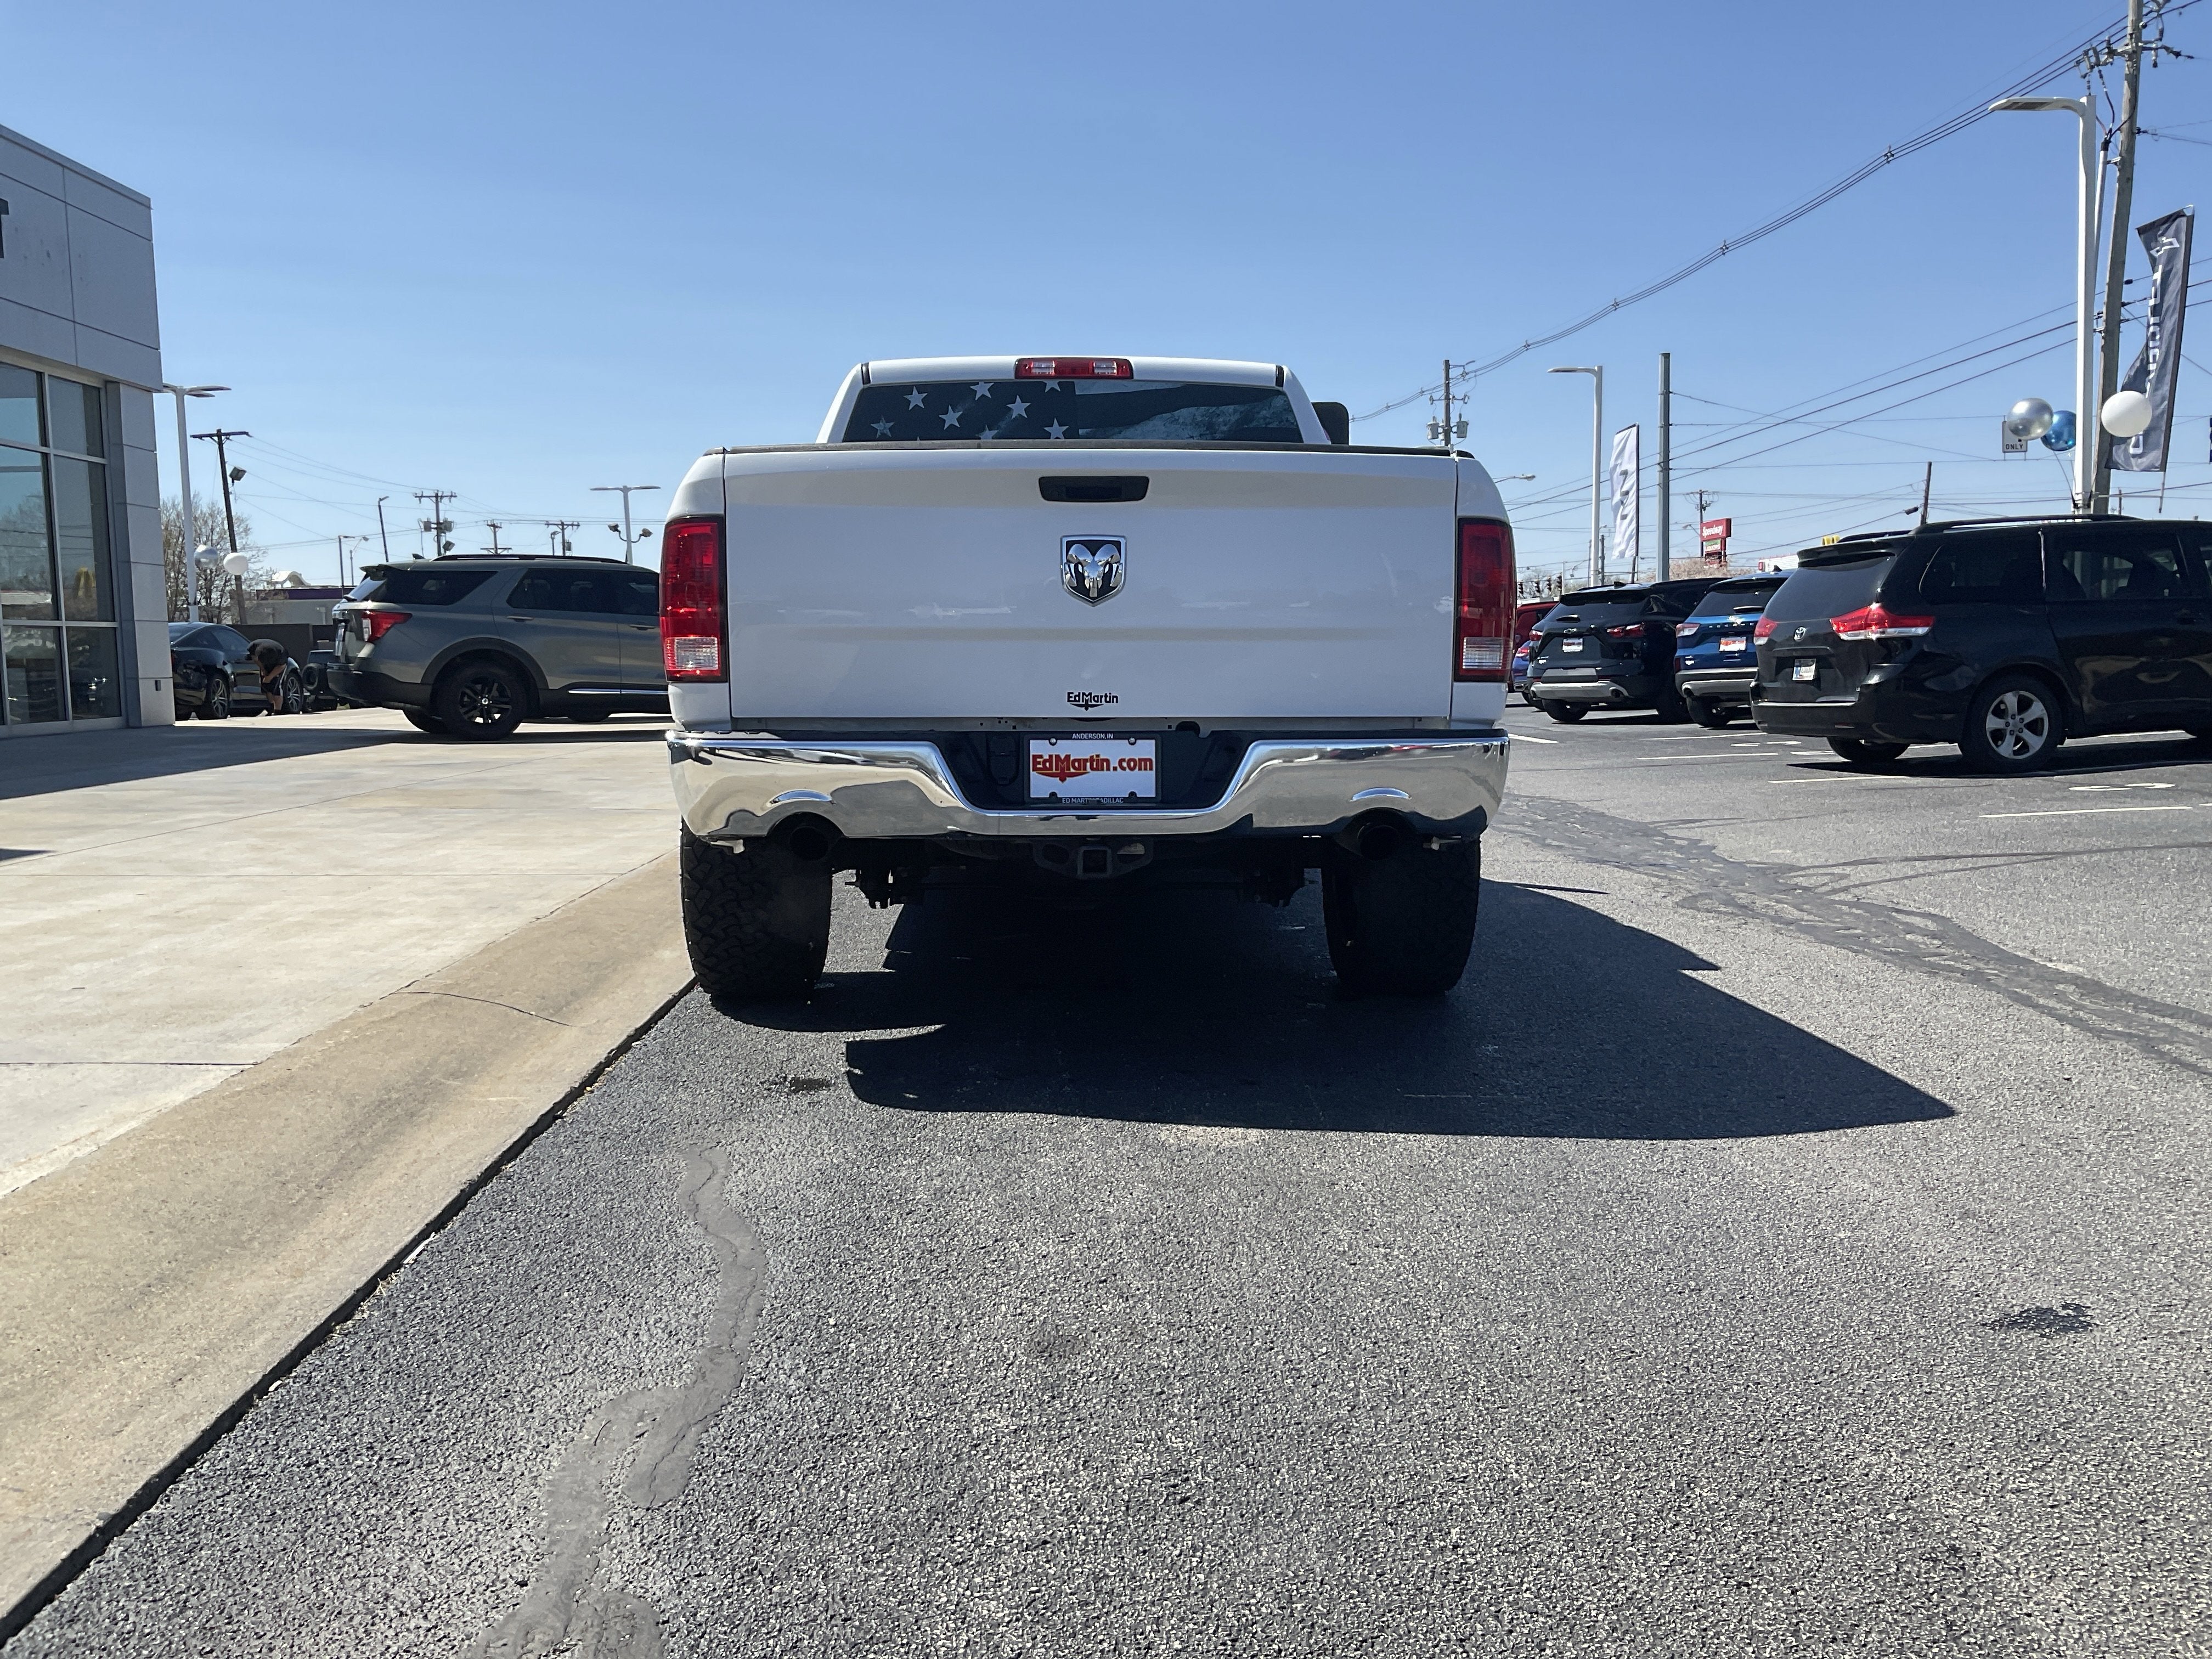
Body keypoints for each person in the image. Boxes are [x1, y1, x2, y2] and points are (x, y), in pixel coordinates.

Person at [247, 637, 292, 713]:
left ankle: (278, 711)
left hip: (279, 661)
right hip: (269, 655)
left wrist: (270, 677)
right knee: (266, 685)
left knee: (276, 685)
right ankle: (271, 707)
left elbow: (281, 666)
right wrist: (264, 671)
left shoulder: (280, 655)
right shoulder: (254, 648)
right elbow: (256, 659)